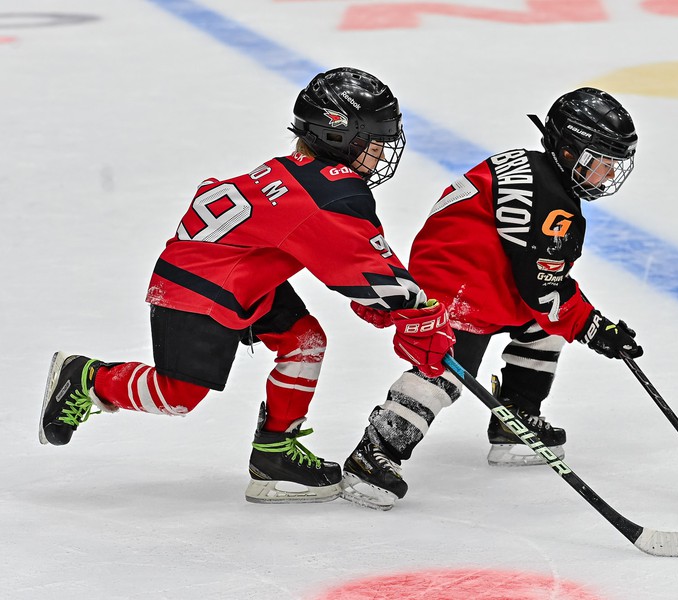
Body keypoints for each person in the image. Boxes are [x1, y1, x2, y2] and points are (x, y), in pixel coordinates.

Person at [38, 67, 455, 504]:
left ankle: (274, 453)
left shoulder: (306, 172)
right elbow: (364, 265)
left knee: (305, 340)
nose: (381, 152)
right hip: (201, 286)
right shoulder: (331, 194)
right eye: (374, 141)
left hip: (239, 272)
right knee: (176, 396)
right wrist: (415, 314)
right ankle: (87, 377)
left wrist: (386, 303)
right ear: (340, 136)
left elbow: (344, 260)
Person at [341, 87, 644, 510]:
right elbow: (545, 291)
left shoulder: (537, 168)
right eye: (601, 161)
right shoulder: (551, 202)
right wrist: (596, 329)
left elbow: (541, 285)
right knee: (444, 374)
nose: (608, 174)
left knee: (545, 328)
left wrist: (585, 320)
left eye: (614, 163)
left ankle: (515, 420)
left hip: (481, 273)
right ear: (569, 148)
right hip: (460, 286)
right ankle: (373, 455)